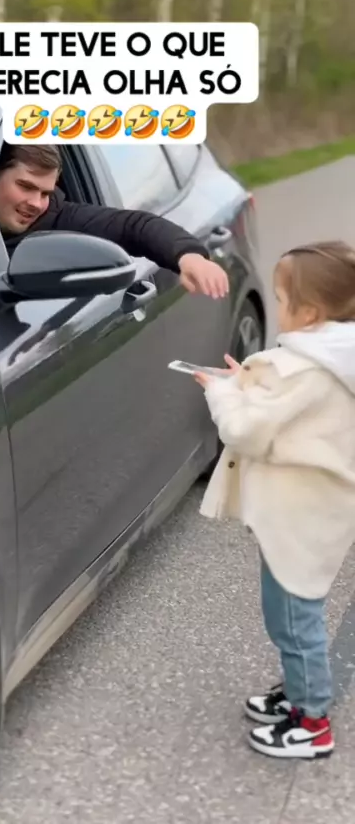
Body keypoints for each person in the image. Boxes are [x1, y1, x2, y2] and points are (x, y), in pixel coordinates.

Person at [193, 241, 355, 760]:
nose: (277, 307)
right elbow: (287, 412)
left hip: (299, 516)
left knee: (293, 615)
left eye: (282, 300)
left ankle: (313, 722)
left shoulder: (309, 371)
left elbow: (246, 431)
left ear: (309, 313)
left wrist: (222, 393)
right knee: (288, 608)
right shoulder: (332, 358)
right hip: (310, 511)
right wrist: (249, 383)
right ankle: (299, 690)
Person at [0, 143, 229, 299]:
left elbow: (131, 226)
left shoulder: (60, 218)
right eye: (25, 186)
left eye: (45, 193)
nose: (36, 203)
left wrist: (188, 256)